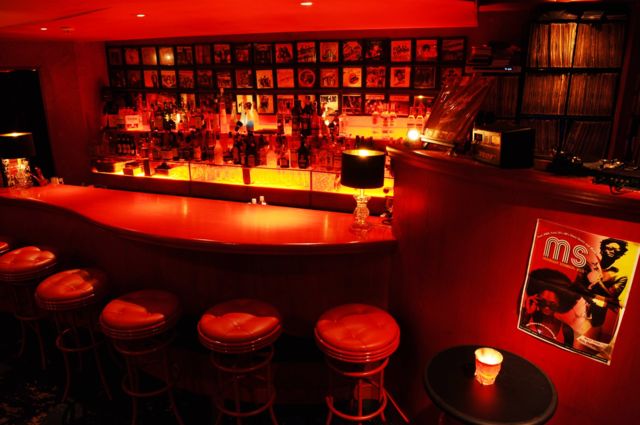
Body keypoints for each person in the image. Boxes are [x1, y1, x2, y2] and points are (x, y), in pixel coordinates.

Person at [521, 268, 579, 345]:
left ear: (560, 303)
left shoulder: (567, 331)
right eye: (542, 302)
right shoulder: (524, 316)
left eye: (552, 305)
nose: (546, 307)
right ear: (536, 297)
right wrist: (527, 314)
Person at [577, 238, 629, 303]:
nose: (612, 252)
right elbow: (577, 284)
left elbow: (610, 297)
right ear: (602, 250)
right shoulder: (588, 264)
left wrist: (598, 280)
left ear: (619, 255)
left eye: (616, 250)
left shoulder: (621, 276)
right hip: (578, 302)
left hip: (596, 307)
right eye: (610, 248)